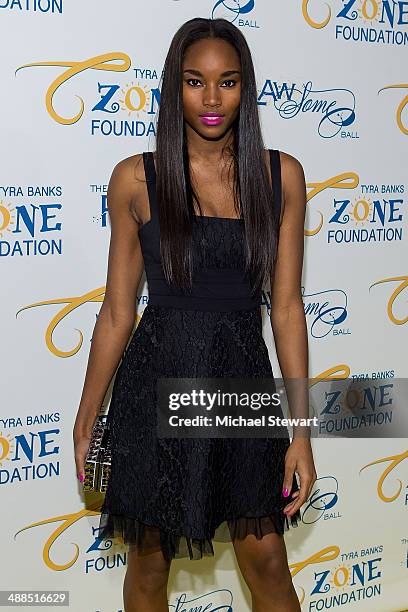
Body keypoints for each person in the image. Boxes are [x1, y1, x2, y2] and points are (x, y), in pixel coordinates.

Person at [73, 16, 316, 612]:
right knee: (149, 565)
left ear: (245, 88)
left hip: (242, 390)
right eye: (195, 82)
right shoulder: (137, 178)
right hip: (156, 386)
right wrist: (86, 420)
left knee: (267, 563)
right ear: (173, 88)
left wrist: (302, 432)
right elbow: (116, 311)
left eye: (227, 82)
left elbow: (285, 309)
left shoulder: (279, 176)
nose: (211, 100)